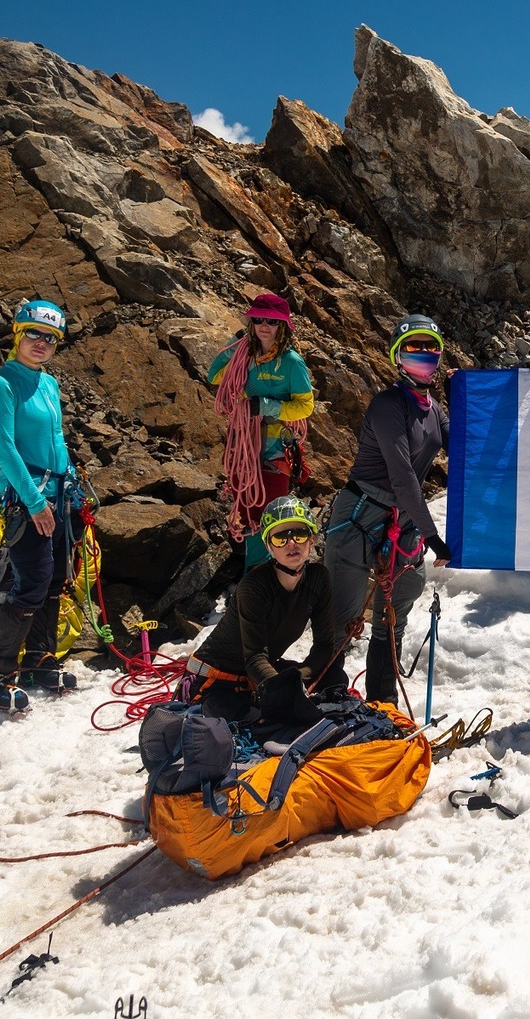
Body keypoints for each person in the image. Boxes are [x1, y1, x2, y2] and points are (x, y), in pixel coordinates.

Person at [317, 314, 451, 710]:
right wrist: (432, 535)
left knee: (397, 608)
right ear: (397, 356)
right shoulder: (388, 405)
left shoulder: (433, 409)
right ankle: (326, 698)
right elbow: (404, 476)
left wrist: (465, 395)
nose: (423, 354)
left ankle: (382, 702)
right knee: (343, 614)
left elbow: (464, 449)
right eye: (413, 348)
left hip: (401, 519)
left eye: (430, 347)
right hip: (361, 512)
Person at [0, 297, 86, 714]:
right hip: (30, 500)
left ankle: (40, 659)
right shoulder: (0, 385)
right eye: (34, 335)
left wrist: (72, 483)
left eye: (51, 339)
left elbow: (56, 440)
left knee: (56, 576)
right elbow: (5, 450)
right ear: (18, 335)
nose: (42, 344)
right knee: (32, 582)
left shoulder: (48, 383)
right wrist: (36, 502)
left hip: (59, 495)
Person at [180, 496, 331, 732]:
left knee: (335, 677)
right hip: (215, 679)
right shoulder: (254, 587)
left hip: (256, 678)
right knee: (259, 722)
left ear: (311, 539)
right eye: (280, 537)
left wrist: (297, 680)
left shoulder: (318, 578)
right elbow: (254, 658)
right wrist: (285, 688)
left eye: (299, 534)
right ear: (269, 546)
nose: (292, 543)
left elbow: (325, 645)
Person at [207, 292, 316, 542]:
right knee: (245, 507)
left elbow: (305, 406)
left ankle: (267, 567)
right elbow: (214, 377)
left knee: (271, 511)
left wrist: (266, 406)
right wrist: (233, 343)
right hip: (244, 444)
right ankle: (248, 567)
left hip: (275, 448)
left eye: (272, 321)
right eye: (258, 320)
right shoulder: (245, 356)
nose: (264, 326)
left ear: (283, 326)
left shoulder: (291, 362)